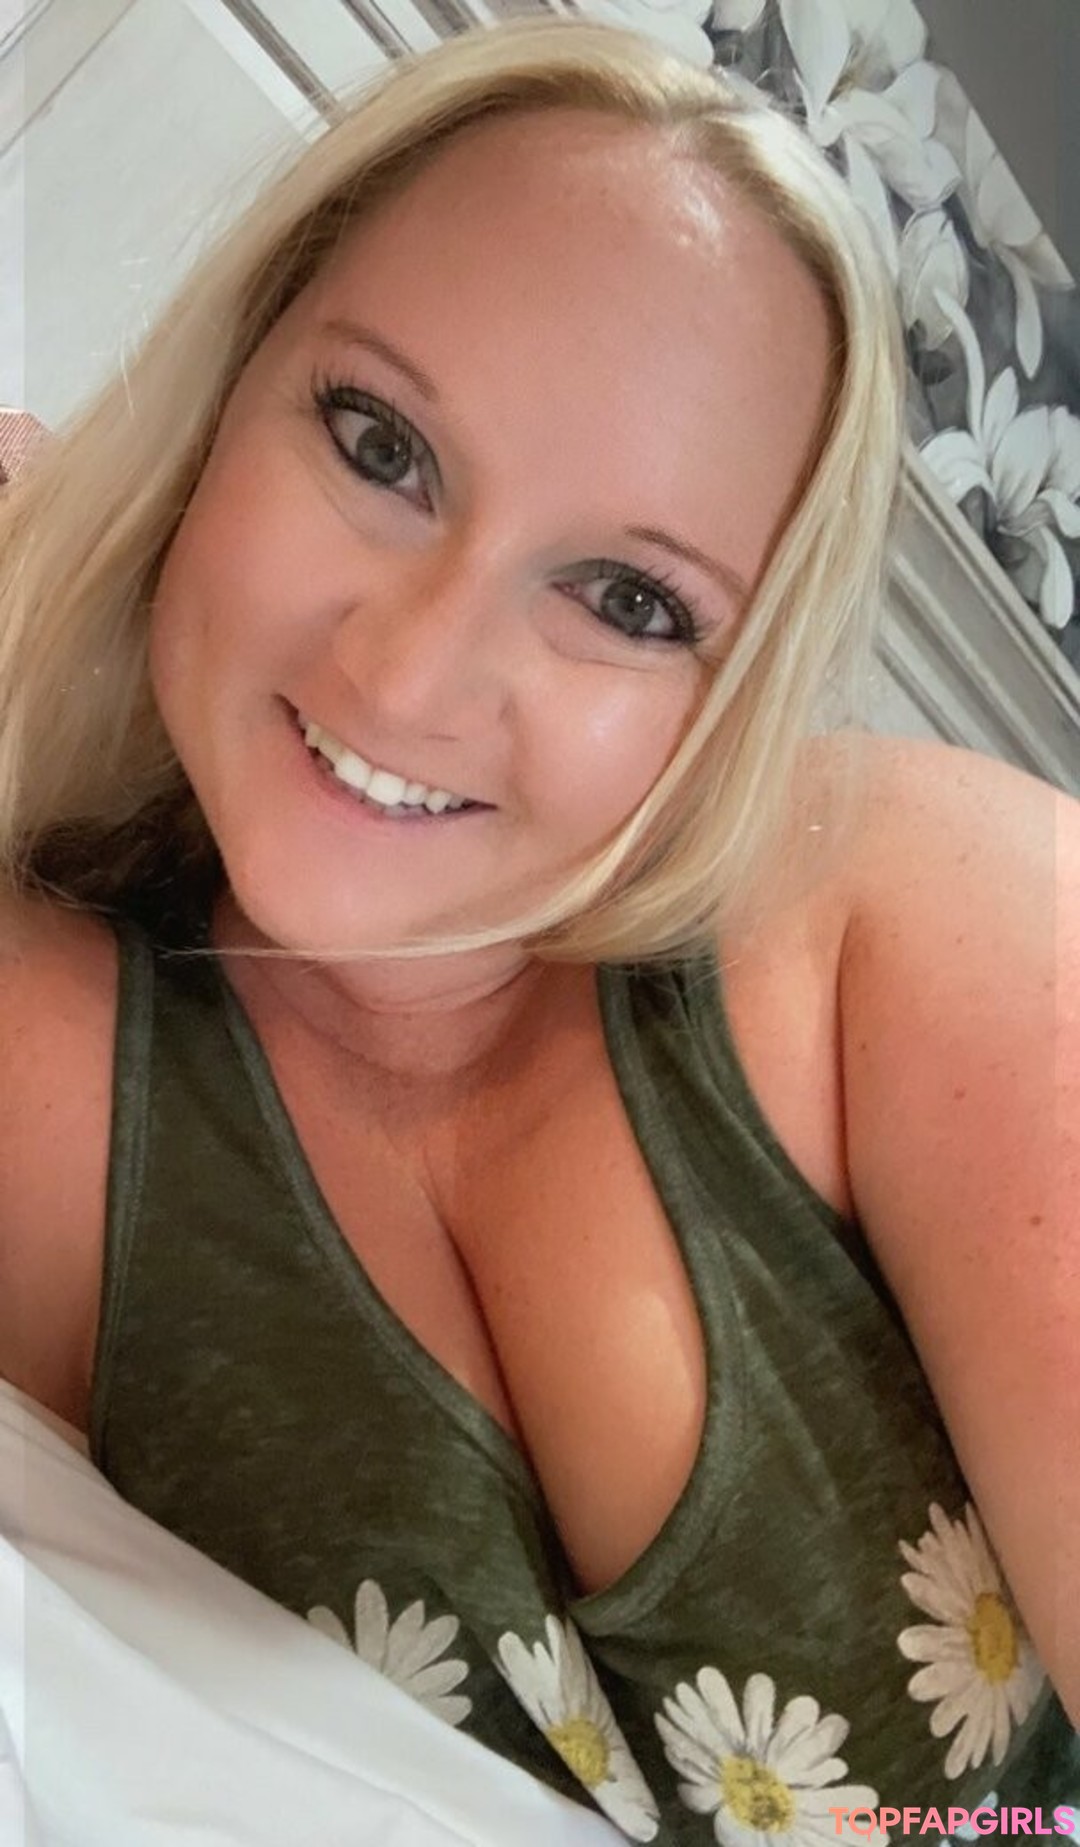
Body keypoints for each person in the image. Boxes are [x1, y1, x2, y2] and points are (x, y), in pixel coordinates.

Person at [0, 16, 1076, 1841]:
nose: (413, 672)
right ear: (229, 391)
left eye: (628, 600)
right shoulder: (52, 1067)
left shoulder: (916, 910)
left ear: (734, 696)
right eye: (379, 444)